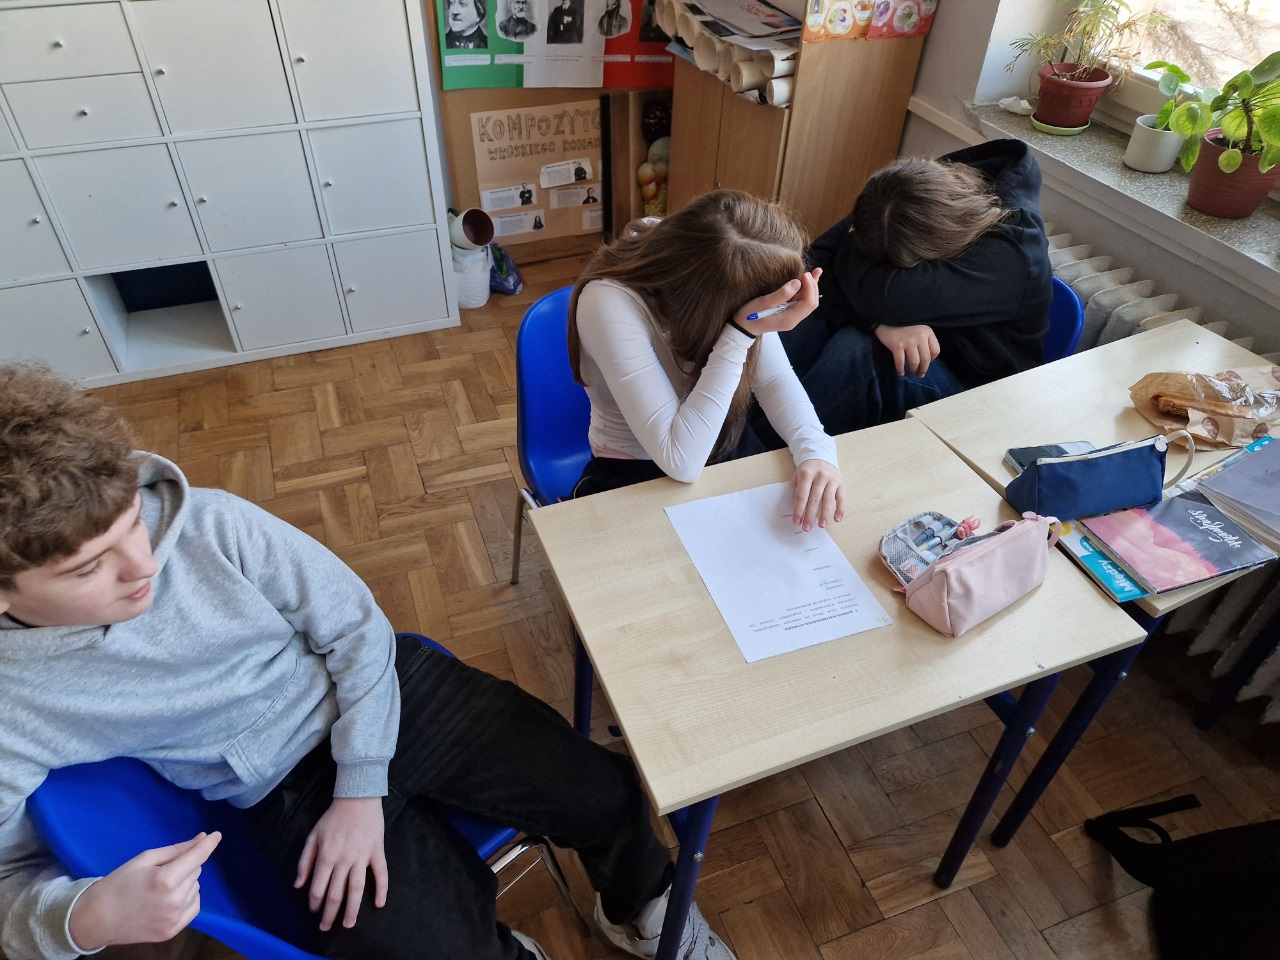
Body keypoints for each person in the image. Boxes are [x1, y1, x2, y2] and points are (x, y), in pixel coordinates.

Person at [0, 363, 736, 960]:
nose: (145, 566)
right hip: (278, 788)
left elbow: (356, 628)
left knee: (603, 791)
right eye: (89, 567)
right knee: (427, 950)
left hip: (382, 688)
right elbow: (8, 881)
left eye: (135, 522)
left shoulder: (210, 522)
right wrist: (83, 917)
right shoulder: (15, 703)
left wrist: (360, 789)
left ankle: (642, 906)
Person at [568, 190, 846, 532]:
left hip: (720, 440)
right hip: (639, 472)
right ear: (711, 302)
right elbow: (680, 461)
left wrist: (816, 449)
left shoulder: (706, 258)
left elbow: (773, 379)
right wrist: (741, 333)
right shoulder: (607, 302)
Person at [775, 138, 1052, 437]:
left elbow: (881, 295)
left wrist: (852, 248)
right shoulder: (909, 196)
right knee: (806, 312)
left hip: (980, 394)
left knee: (857, 352)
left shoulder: (1012, 257)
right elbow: (813, 266)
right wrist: (878, 323)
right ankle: (749, 424)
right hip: (931, 349)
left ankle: (763, 453)